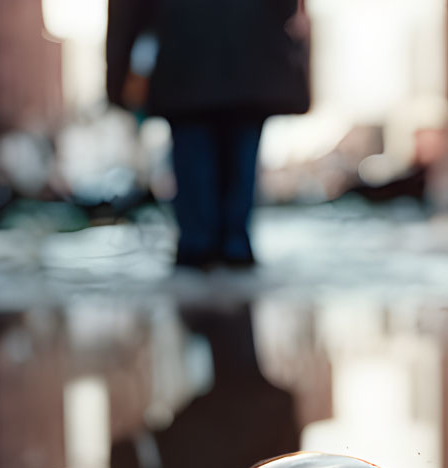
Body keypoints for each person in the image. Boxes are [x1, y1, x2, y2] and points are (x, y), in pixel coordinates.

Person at [107, 0, 310, 269]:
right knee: (240, 162)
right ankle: (233, 245)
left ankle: (201, 247)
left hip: (186, 56)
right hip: (248, 56)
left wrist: (117, 78)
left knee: (195, 164)